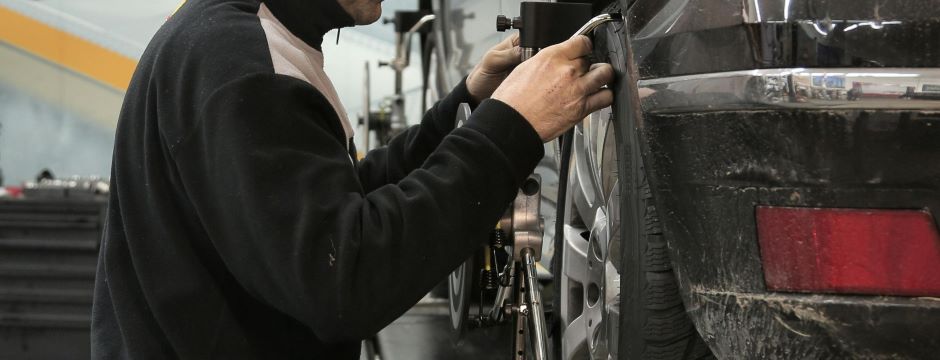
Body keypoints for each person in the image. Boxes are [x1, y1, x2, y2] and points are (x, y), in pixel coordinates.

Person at [91, 0, 614, 358]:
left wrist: (470, 107)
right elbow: (344, 275)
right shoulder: (236, 65)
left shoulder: (246, 38)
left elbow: (337, 201)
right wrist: (511, 129)